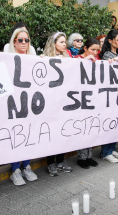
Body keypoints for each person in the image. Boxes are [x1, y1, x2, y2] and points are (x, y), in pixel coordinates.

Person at [6, 26, 38, 185]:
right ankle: (15, 170)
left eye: (27, 40)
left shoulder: (35, 58)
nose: (24, 42)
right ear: (14, 42)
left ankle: (26, 166)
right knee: (15, 135)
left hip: (30, 104)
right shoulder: (6, 59)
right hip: (14, 105)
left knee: (28, 134)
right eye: (20, 40)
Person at [43, 32, 73, 176]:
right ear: (54, 43)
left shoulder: (68, 57)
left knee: (63, 132)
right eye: (61, 42)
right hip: (51, 103)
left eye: (65, 41)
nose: (64, 44)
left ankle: (60, 161)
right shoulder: (46, 59)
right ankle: (50, 163)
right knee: (52, 133)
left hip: (65, 101)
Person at [99, 30, 118, 163]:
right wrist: (116, 60)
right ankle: (106, 152)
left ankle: (112, 148)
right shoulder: (106, 55)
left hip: (117, 93)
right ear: (110, 41)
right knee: (109, 122)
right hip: (108, 95)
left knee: (116, 122)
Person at [73, 38, 100, 169]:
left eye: (97, 50)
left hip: (93, 99)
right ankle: (82, 157)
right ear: (85, 48)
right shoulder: (77, 58)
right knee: (82, 129)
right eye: (92, 49)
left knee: (90, 128)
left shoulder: (97, 61)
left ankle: (89, 156)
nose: (95, 52)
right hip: (80, 99)